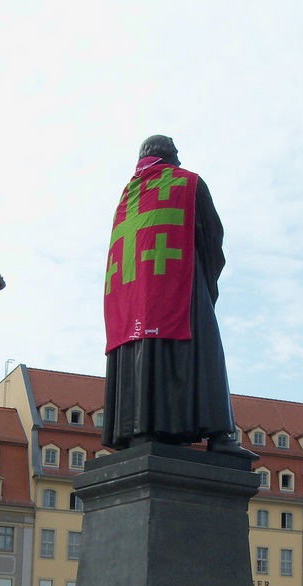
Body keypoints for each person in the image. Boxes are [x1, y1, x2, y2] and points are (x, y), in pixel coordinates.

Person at [102, 135, 246, 458]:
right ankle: (220, 435)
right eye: (177, 156)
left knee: (140, 349)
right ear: (170, 157)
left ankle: (138, 429)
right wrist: (205, 283)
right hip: (181, 285)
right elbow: (212, 238)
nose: (180, 162)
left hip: (132, 302)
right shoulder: (188, 184)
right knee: (204, 350)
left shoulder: (126, 198)